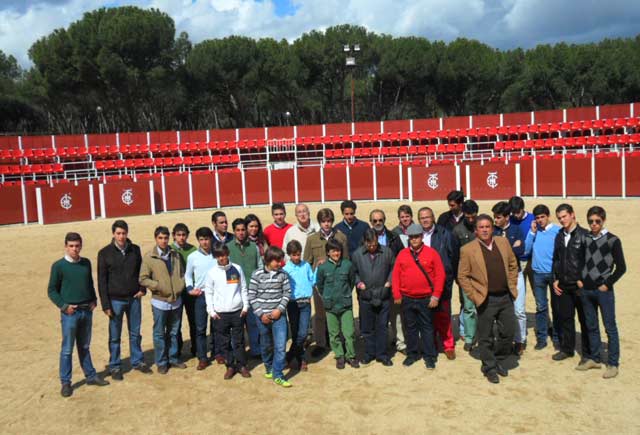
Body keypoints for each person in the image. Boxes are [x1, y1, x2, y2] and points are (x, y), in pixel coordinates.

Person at [458, 215, 519, 384]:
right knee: (485, 336)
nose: (485, 230)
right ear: (476, 231)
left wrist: (512, 285)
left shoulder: (503, 243)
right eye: (481, 227)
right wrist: (475, 296)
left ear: (492, 228)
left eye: (487, 226)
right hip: (485, 299)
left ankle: (498, 359)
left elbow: (513, 265)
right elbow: (462, 277)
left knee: (508, 332)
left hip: (505, 297)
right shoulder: (468, 249)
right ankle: (490, 367)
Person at [48, 232, 110, 397]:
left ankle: (90, 375)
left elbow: (89, 283)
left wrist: (94, 299)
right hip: (70, 312)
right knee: (67, 349)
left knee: (84, 346)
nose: (74, 249)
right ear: (66, 246)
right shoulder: (58, 266)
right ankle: (66, 382)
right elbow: (52, 290)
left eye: (77, 246)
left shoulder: (86, 263)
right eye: (71, 246)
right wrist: (63, 306)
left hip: (86, 310)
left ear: (81, 245)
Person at [97, 220, 150, 381]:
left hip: (134, 298)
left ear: (127, 233)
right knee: (115, 335)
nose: (121, 236)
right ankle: (115, 365)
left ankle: (138, 361)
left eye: (124, 233)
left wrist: (142, 289)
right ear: (113, 234)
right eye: (118, 233)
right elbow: (101, 281)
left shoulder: (135, 250)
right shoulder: (104, 253)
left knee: (135, 333)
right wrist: (106, 305)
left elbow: (141, 272)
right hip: (115, 300)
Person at [577, 206, 626, 379]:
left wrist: (607, 284)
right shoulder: (586, 238)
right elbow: (580, 260)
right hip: (586, 290)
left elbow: (621, 268)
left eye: (597, 221)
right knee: (591, 326)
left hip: (603, 291)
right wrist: (579, 280)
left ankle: (613, 364)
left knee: (610, 327)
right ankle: (595, 358)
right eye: (591, 221)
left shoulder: (613, 240)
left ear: (603, 220)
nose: (594, 224)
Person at [392, 223, 446, 370]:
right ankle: (413, 354)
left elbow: (440, 276)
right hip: (407, 298)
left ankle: (430, 356)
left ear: (422, 237)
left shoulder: (432, 253)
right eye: (411, 237)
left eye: (417, 237)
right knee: (410, 328)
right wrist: (397, 294)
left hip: (426, 298)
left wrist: (435, 296)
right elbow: (395, 276)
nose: (414, 239)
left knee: (427, 328)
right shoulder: (402, 254)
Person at [139, 226, 186, 374]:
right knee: (159, 333)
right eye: (160, 238)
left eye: (166, 238)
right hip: (160, 301)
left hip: (176, 300)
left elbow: (182, 273)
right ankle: (161, 361)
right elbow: (143, 279)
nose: (163, 241)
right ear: (156, 239)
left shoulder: (175, 255)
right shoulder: (149, 257)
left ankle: (173, 358)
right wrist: (158, 286)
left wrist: (180, 285)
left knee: (173, 331)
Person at [551, 204, 592, 366]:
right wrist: (555, 279)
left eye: (564, 216)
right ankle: (567, 349)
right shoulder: (559, 235)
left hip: (580, 285)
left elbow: (590, 261)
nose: (562, 220)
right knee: (566, 318)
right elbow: (556, 259)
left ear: (572, 215)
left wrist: (584, 281)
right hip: (563, 284)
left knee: (585, 319)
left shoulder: (585, 235)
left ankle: (587, 353)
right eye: (559, 218)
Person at [303, 208, 349, 351]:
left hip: (338, 281)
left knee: (339, 311)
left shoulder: (341, 238)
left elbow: (346, 260)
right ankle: (321, 343)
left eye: (329, 221)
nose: (326, 224)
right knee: (321, 314)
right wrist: (316, 268)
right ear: (320, 222)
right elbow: (307, 262)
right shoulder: (312, 239)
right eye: (323, 221)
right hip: (320, 283)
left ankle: (339, 341)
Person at [204, 243, 251, 380]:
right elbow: (209, 293)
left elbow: (243, 288)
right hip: (220, 314)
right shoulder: (212, 273)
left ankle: (241, 365)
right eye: (219, 256)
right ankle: (230, 366)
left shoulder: (237, 268)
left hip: (237, 312)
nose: (222, 258)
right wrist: (211, 311)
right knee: (224, 342)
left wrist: (245, 306)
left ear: (228, 254)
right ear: (215, 257)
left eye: (224, 255)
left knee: (239, 341)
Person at [418, 207, 459, 360]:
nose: (425, 220)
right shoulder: (416, 235)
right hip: (423, 283)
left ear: (433, 217)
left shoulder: (445, 234)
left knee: (443, 315)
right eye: (422, 218)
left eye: (428, 217)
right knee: (427, 316)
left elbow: (454, 257)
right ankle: (432, 344)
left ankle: (448, 345)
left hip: (442, 282)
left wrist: (449, 277)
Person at [248, 246, 292, 388]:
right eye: (276, 261)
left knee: (280, 346)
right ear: (268, 260)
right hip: (262, 318)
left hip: (279, 317)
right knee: (266, 344)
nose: (279, 263)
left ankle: (278, 374)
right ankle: (268, 366)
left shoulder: (283, 275)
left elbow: (287, 294)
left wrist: (279, 310)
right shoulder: (257, 274)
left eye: (280, 261)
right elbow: (252, 296)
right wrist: (261, 314)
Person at [351, 229, 395, 366]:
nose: (372, 247)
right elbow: (353, 272)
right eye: (369, 244)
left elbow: (394, 269)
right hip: (366, 295)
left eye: (374, 244)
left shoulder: (387, 252)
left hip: (384, 294)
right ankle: (369, 353)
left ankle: (382, 354)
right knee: (367, 328)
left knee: (382, 326)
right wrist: (359, 283)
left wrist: (389, 282)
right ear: (364, 242)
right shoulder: (357, 254)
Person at [316, 239, 359, 369]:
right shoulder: (323, 268)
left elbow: (351, 282)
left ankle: (351, 356)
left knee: (349, 332)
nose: (336, 253)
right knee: (333, 333)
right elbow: (320, 285)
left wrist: (345, 294)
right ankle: (339, 355)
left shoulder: (348, 265)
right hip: (330, 306)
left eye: (338, 250)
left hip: (345, 305)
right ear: (328, 253)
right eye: (333, 251)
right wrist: (327, 297)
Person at [524, 204, 562, 350]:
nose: (540, 220)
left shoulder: (558, 231)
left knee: (556, 306)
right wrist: (532, 233)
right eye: (537, 218)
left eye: (542, 217)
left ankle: (557, 337)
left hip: (554, 275)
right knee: (541, 306)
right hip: (537, 274)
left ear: (548, 216)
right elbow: (526, 250)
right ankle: (541, 338)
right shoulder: (534, 232)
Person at [492, 201, 527, 355]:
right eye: (494, 217)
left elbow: (520, 251)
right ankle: (503, 340)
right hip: (498, 276)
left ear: (507, 217)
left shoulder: (516, 229)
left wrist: (505, 251)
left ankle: (520, 341)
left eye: (498, 217)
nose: (495, 220)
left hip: (515, 275)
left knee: (518, 310)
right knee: (500, 311)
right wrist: (512, 248)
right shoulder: (493, 232)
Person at [227, 218, 263, 358]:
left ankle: (256, 350)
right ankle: (238, 352)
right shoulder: (228, 248)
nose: (241, 233)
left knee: (253, 323)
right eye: (238, 230)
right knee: (236, 326)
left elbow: (260, 266)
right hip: (234, 291)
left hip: (252, 291)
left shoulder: (253, 247)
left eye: (243, 230)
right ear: (234, 231)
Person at [184, 227, 217, 370]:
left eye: (207, 239)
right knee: (200, 327)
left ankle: (218, 353)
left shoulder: (217, 255)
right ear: (198, 240)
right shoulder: (192, 257)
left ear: (211, 239)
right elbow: (187, 275)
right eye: (202, 239)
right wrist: (190, 288)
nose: (204, 242)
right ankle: (202, 357)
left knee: (217, 326)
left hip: (216, 294)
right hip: (200, 295)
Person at [283, 240, 316, 371]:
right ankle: (301, 358)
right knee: (296, 332)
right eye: (294, 255)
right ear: (289, 255)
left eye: (298, 254)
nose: (297, 257)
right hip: (292, 304)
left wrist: (318, 269)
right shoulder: (285, 269)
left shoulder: (306, 265)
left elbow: (312, 280)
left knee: (303, 334)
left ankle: (289, 356)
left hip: (305, 303)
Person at [452, 199, 478, 351]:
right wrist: (457, 277)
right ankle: (469, 337)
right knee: (468, 308)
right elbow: (455, 256)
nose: (470, 219)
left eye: (473, 216)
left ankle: (483, 335)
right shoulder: (457, 230)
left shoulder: (484, 226)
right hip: (466, 275)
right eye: (467, 216)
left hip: (484, 275)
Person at [171, 223, 197, 358]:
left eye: (183, 235)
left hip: (191, 291)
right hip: (177, 291)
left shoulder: (193, 249)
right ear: (174, 236)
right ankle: (177, 350)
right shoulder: (168, 250)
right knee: (176, 323)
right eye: (178, 235)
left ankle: (196, 348)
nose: (181, 238)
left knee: (194, 321)